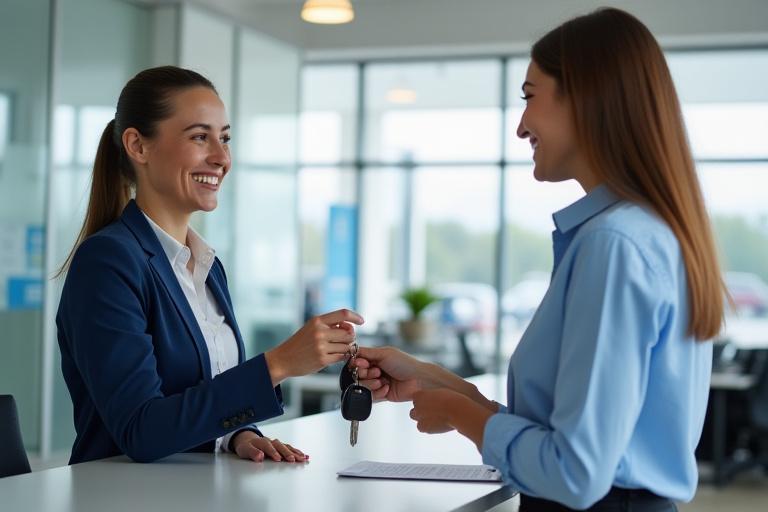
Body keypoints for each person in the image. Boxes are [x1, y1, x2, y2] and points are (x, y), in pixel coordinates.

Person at [355, 8, 726, 511]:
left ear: (588, 96)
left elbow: (574, 471)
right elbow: (571, 437)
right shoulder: (646, 233)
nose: (521, 126)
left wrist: (461, 416)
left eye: (530, 98)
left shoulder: (613, 245)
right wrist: (442, 385)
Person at [56, 66, 363, 465]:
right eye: (200, 137)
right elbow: (142, 431)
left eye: (225, 138)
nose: (221, 158)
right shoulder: (108, 261)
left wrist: (238, 434)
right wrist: (279, 363)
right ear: (138, 146)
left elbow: (201, 395)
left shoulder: (207, 266)